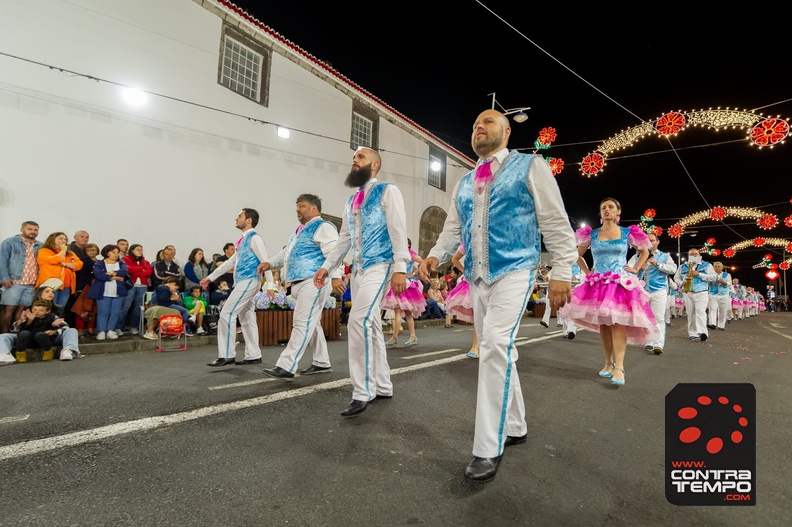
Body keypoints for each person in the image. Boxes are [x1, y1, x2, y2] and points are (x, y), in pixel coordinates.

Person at [419, 109, 577, 483]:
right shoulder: (465, 180)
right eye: (474, 123)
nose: (479, 127)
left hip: (515, 269)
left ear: (507, 131)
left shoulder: (530, 165)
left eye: (487, 122)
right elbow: (452, 230)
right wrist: (434, 256)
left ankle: (487, 447)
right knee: (499, 348)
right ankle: (517, 424)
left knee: (492, 345)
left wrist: (563, 270)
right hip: (477, 276)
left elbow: (554, 220)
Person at [313, 147, 409, 418]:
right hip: (357, 270)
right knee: (372, 325)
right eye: (353, 158)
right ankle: (382, 384)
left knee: (358, 320)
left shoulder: (388, 191)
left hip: (381, 265)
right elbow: (344, 239)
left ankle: (361, 391)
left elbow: (398, 229)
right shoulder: (351, 200)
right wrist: (326, 267)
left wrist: (400, 267)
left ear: (375, 165)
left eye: (361, 158)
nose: (354, 161)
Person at [559, 197, 656, 386]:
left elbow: (644, 251)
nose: (607, 210)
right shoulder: (592, 234)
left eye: (611, 207)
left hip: (619, 284)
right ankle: (608, 362)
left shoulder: (628, 233)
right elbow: (575, 254)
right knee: (604, 324)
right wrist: (587, 271)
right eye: (603, 207)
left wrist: (636, 268)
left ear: (618, 212)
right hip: (598, 283)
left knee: (617, 323)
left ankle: (619, 366)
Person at [260, 193, 344, 379]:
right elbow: (285, 256)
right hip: (299, 282)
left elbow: (334, 252)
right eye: (297, 206)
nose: (297, 209)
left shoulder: (323, 226)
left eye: (302, 206)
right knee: (311, 324)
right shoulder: (299, 231)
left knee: (301, 323)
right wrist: (269, 263)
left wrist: (337, 275)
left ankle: (286, 365)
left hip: (314, 281)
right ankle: (322, 362)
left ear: (314, 208)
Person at [200, 208, 276, 366]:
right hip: (243, 281)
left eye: (239, 216)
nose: (236, 218)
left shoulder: (255, 238)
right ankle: (253, 354)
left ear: (249, 220)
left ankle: (227, 354)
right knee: (247, 318)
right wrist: (210, 277)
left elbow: (265, 261)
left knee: (227, 313)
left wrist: (270, 284)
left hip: (249, 280)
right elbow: (230, 262)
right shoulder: (242, 241)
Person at [628, 231, 677, 354]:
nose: (649, 242)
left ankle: (658, 344)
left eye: (652, 240)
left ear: (658, 242)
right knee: (644, 318)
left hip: (659, 290)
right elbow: (627, 271)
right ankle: (648, 342)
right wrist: (638, 268)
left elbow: (673, 269)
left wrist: (658, 264)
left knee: (658, 318)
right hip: (642, 291)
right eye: (647, 240)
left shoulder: (665, 257)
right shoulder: (636, 257)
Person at [381, 238, 425, 348]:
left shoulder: (410, 254)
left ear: (409, 244)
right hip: (398, 284)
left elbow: (422, 261)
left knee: (404, 312)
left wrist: (414, 273)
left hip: (406, 285)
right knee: (400, 312)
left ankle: (398, 337)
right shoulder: (397, 253)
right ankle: (406, 336)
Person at [0, 221, 42, 334]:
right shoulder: (10, 242)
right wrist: (4, 278)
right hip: (14, 281)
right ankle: (4, 336)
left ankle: (15, 335)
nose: (33, 232)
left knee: (22, 310)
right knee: (8, 309)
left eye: (35, 230)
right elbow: (2, 260)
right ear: (22, 229)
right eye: (29, 229)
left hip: (31, 284)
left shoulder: (40, 245)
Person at [443, 243, 479, 358]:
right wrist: (465, 271)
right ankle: (476, 345)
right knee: (478, 314)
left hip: (492, 278)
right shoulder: (468, 240)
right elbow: (455, 259)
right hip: (473, 280)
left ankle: (487, 345)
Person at [87, 244, 129, 340]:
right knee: (103, 312)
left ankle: (110, 330)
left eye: (117, 252)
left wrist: (112, 273)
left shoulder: (121, 263)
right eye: (113, 252)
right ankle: (101, 331)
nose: (115, 254)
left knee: (115, 312)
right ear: (107, 253)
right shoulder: (99, 264)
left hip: (118, 292)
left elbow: (124, 272)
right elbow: (99, 275)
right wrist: (115, 277)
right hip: (103, 292)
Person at [673, 248, 716, 341]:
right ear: (688, 256)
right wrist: (681, 283)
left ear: (699, 255)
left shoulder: (706, 265)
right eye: (691, 254)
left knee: (700, 311)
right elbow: (676, 277)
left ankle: (702, 332)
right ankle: (693, 333)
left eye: (696, 254)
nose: (694, 255)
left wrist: (699, 274)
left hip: (701, 291)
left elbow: (713, 277)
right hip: (688, 292)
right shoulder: (682, 266)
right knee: (691, 313)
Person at [33, 285, 82, 360]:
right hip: (35, 336)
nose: (51, 293)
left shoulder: (58, 308)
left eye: (52, 292)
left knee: (72, 330)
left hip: (54, 336)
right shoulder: (30, 308)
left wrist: (55, 331)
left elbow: (64, 326)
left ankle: (68, 351)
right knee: (8, 336)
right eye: (47, 291)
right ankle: (7, 354)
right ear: (39, 294)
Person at [36, 231, 83, 307]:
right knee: (48, 307)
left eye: (65, 239)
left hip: (66, 286)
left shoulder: (70, 253)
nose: (63, 241)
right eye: (60, 238)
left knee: (60, 308)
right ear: (52, 239)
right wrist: (63, 251)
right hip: (50, 285)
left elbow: (79, 264)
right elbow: (54, 260)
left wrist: (66, 264)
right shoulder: (44, 251)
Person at [120, 244, 153, 335]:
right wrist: (141, 269)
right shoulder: (125, 259)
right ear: (132, 250)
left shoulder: (145, 261)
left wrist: (138, 271)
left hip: (142, 286)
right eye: (137, 249)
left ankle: (134, 326)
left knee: (138, 308)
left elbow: (148, 272)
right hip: (131, 286)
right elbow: (128, 270)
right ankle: (119, 327)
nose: (140, 251)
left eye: (141, 249)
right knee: (125, 306)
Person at [707, 261, 732, 331]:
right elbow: (707, 284)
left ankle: (721, 325)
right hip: (713, 294)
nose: (717, 268)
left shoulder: (727, 275)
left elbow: (729, 284)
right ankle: (712, 324)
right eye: (715, 266)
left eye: (719, 267)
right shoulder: (710, 275)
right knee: (712, 309)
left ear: (722, 267)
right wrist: (710, 282)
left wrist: (722, 282)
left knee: (723, 310)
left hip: (724, 295)